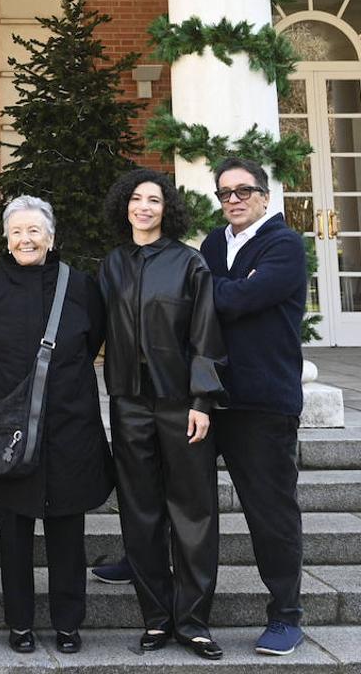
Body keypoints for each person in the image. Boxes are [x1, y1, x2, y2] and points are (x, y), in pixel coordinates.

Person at [0, 195, 113, 655]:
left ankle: (68, 623)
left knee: (68, 531)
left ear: (50, 238)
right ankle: (20, 624)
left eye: (34, 231)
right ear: (6, 239)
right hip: (9, 427)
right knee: (13, 533)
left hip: (70, 424)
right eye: (17, 232)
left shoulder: (82, 287)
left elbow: (93, 339)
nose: (25, 239)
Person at [98, 168, 228, 660]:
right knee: (140, 513)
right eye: (136, 199)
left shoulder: (189, 263)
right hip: (129, 401)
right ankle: (155, 619)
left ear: (165, 209)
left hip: (180, 403)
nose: (144, 207)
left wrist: (202, 401)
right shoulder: (112, 264)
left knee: (193, 512)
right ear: (124, 207)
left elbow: (206, 337)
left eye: (153, 200)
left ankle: (193, 622)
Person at [200, 157, 307, 656]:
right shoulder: (213, 244)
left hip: (263, 403)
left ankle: (286, 615)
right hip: (210, 398)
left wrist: (211, 293)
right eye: (225, 193)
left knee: (270, 513)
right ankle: (146, 567)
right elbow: (217, 304)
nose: (234, 200)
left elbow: (238, 301)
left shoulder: (284, 244)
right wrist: (224, 293)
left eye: (244, 190)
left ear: (265, 195)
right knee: (177, 495)